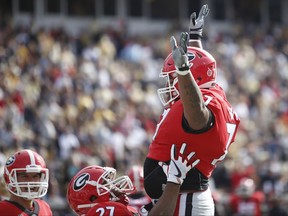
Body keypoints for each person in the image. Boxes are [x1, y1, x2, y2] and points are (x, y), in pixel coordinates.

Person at [143, 4, 241, 216]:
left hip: (185, 198)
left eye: (173, 77)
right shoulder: (213, 90)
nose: (171, 82)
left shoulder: (202, 106)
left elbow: (198, 114)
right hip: (182, 194)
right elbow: (202, 67)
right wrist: (196, 37)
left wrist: (183, 72)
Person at [66, 143, 200, 216]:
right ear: (92, 198)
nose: (114, 186)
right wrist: (175, 180)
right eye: (106, 184)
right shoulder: (104, 210)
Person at [0, 149, 52, 215]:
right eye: (24, 176)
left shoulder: (45, 208)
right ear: (11, 179)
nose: (31, 181)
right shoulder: (2, 210)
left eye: (35, 176)